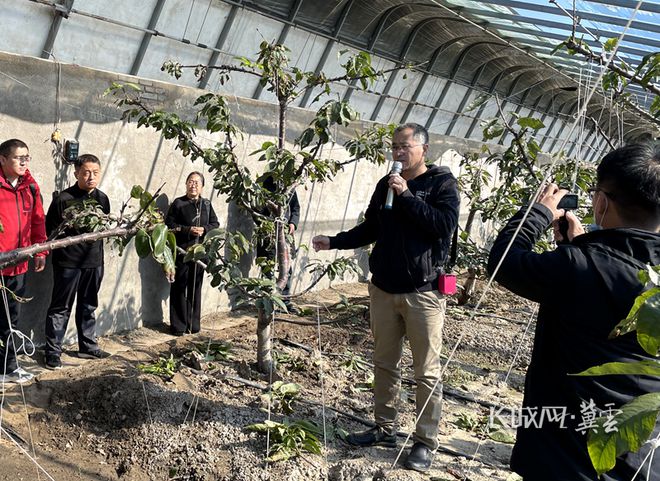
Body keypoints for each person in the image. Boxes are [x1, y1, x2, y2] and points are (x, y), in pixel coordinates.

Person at [487, 143, 660, 480]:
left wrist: (536, 212)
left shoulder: (580, 267)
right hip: (642, 451)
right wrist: (580, 247)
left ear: (600, 202)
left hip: (570, 454)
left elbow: (504, 264)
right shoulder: (585, 264)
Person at [312, 123, 460, 472]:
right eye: (394, 146)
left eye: (405, 146)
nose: (397, 152)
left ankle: (425, 442)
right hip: (383, 289)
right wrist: (335, 241)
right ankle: (384, 428)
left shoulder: (442, 184)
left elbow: (443, 226)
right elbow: (372, 228)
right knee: (384, 364)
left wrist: (407, 196)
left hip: (423, 294)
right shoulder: (385, 184)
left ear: (424, 149)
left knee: (426, 371)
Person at [44, 154, 111, 369]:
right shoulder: (63, 199)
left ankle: (88, 347)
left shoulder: (102, 198)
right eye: (86, 172)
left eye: (95, 172)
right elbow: (51, 231)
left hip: (94, 262)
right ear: (76, 174)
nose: (91, 177)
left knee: (89, 305)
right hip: (68, 263)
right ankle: (53, 352)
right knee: (60, 308)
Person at [0, 139, 47, 383]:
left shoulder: (30, 187)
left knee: (11, 319)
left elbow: (38, 220)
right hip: (0, 263)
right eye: (19, 157)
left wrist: (40, 252)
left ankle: (7, 368)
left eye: (26, 157)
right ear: (3, 159)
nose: (24, 161)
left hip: (18, 266)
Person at [165, 171, 219, 335]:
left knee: (195, 287)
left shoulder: (207, 205)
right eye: (190, 181)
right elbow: (170, 224)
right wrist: (188, 230)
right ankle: (178, 326)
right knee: (179, 288)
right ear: (186, 184)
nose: (193, 184)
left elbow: (215, 223)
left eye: (197, 182)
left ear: (202, 187)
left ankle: (193, 324)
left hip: (199, 253)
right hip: (182, 251)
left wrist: (204, 230)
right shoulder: (178, 203)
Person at [255, 177, 300, 313]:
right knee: (267, 268)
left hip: (285, 235)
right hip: (267, 235)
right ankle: (268, 302)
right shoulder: (263, 185)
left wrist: (293, 222)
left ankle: (285, 301)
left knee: (286, 268)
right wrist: (265, 225)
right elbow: (255, 210)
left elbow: (295, 207)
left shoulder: (288, 185)